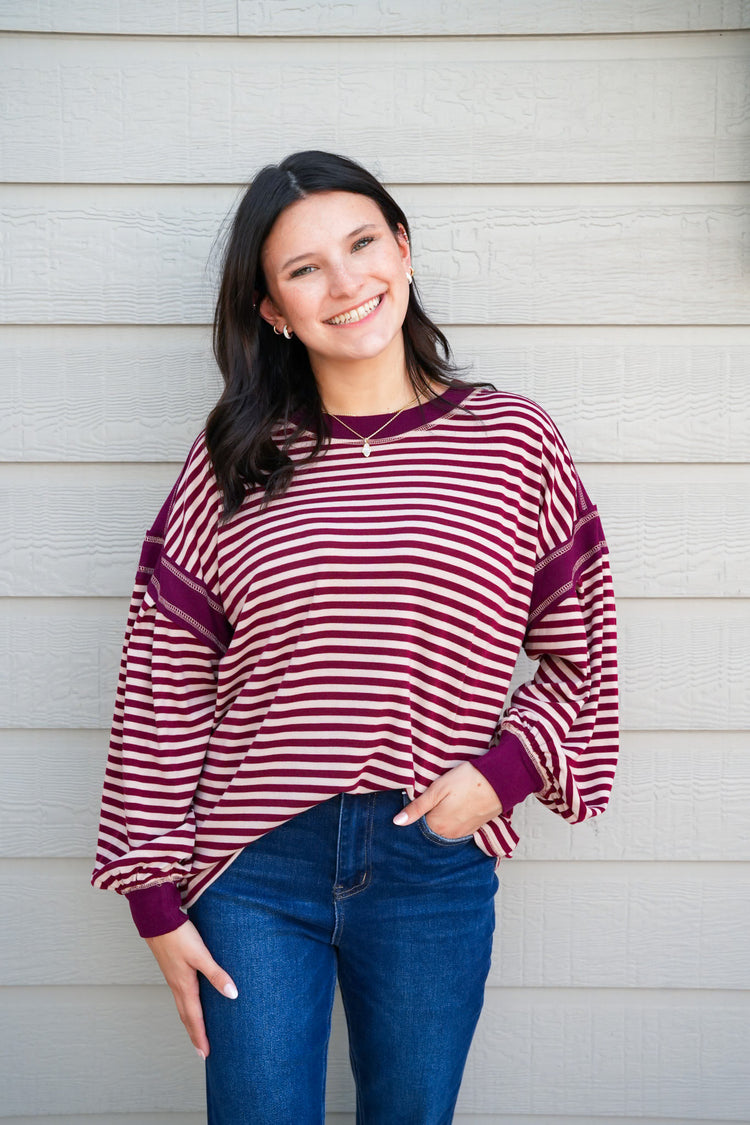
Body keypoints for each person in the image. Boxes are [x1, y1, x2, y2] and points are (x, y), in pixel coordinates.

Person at [91, 150, 618, 1124]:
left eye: (362, 243)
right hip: (254, 868)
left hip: (431, 863)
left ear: (404, 250)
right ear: (272, 310)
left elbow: (582, 653)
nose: (345, 283)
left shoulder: (513, 442)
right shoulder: (234, 464)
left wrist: (498, 777)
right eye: (303, 268)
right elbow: (158, 680)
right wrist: (152, 899)